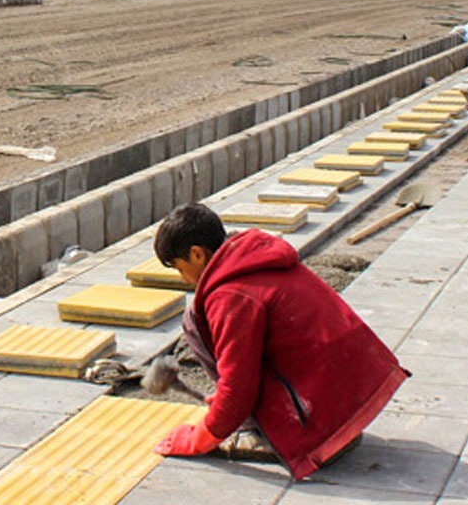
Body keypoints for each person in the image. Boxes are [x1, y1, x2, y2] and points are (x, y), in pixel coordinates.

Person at [152, 203, 409, 479]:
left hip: (323, 414)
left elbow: (238, 391)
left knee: (195, 322)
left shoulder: (230, 296)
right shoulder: (256, 256)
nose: (184, 279)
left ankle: (253, 431)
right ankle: (333, 426)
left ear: (197, 254)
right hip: (358, 388)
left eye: (180, 269)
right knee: (202, 319)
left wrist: (198, 439)